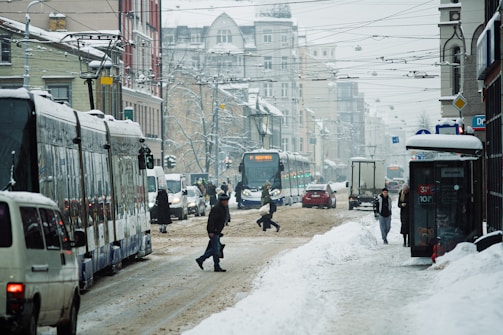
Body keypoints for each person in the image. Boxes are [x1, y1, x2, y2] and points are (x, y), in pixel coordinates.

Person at [195, 193, 229, 272]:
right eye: (225, 201)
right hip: (213, 232)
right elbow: (211, 220)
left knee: (216, 248)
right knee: (215, 249)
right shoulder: (216, 209)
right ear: (222, 201)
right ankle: (205, 261)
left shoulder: (223, 208)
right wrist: (211, 231)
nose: (227, 202)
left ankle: (203, 261)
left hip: (216, 232)